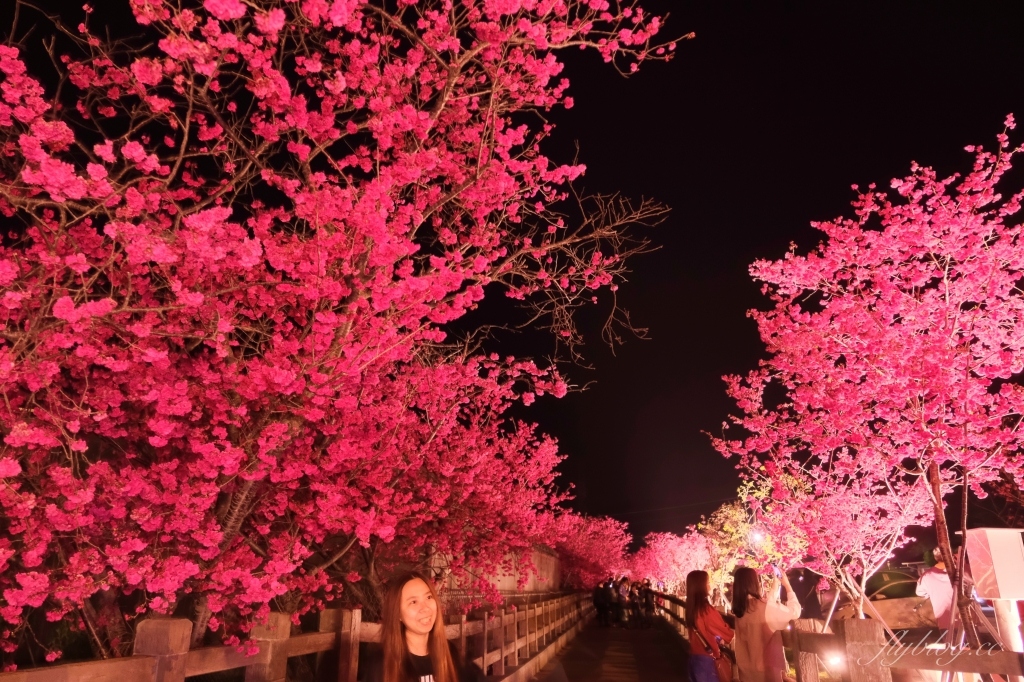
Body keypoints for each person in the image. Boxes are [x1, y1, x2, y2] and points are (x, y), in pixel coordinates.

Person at [362, 571, 486, 682]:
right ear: (398, 614)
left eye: (429, 597)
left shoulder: (450, 652)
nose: (425, 608)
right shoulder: (381, 664)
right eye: (413, 602)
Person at [731, 566, 802, 682]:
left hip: (747, 672)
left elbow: (768, 606)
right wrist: (787, 586)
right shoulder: (763, 607)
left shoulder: (741, 609)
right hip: (767, 671)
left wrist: (776, 584)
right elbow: (795, 612)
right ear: (754, 583)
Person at [685, 570, 734, 682]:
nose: (710, 585)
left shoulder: (691, 608)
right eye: (707, 582)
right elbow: (727, 633)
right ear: (701, 586)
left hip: (694, 657)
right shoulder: (706, 610)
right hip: (707, 661)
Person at [916, 555, 954, 630]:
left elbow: (920, 593)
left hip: (944, 619)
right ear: (951, 556)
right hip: (969, 619)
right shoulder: (962, 571)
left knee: (949, 641)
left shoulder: (926, 576)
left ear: (935, 558)